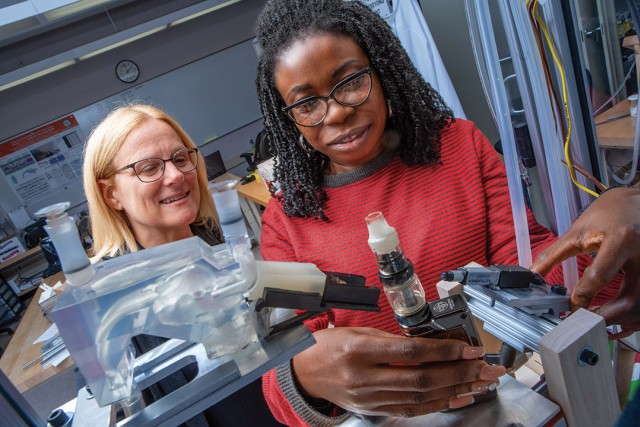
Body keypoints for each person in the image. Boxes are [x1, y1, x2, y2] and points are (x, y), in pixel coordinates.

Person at [253, 1, 636, 425]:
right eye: (306, 104)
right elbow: (281, 383)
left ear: (381, 72)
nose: (339, 111)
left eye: (351, 81)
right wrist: (302, 378)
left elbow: (532, 265)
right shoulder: (287, 222)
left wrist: (606, 242)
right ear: (289, 120)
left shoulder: (459, 147)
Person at [82, 104, 282, 426]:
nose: (176, 176)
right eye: (148, 168)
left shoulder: (214, 237)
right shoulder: (106, 297)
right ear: (111, 195)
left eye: (179, 159)